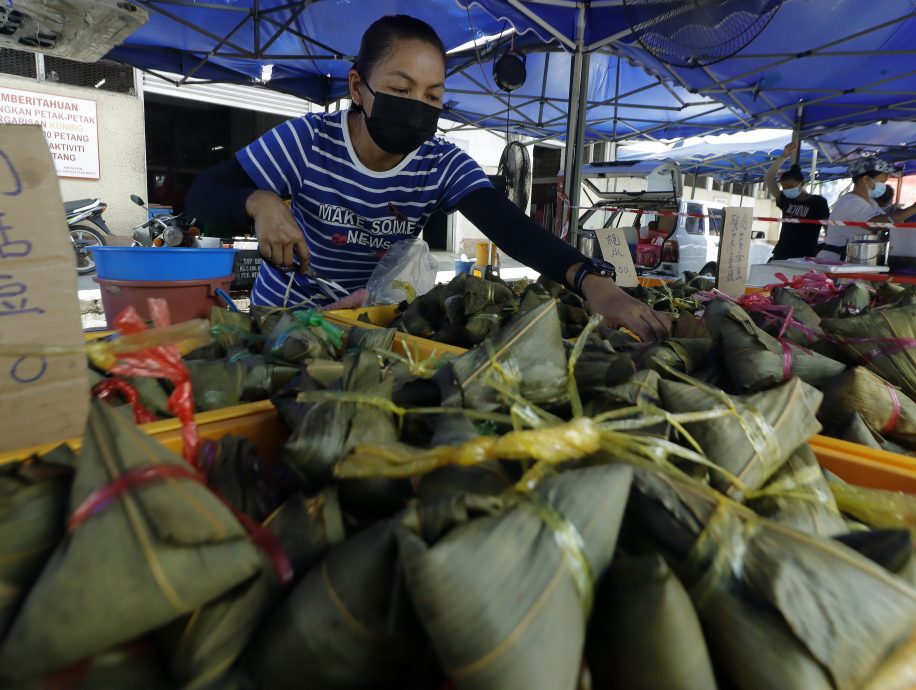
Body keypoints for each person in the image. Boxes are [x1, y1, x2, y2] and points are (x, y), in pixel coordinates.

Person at [185, 15, 669, 342]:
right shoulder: (308, 141)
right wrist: (260, 202)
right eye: (400, 89)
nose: (417, 107)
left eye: (433, 97)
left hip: (369, 330)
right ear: (358, 87)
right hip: (283, 329)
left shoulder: (440, 162)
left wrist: (589, 279)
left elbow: (510, 226)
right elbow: (204, 195)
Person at [817, 157, 916, 261]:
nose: (883, 186)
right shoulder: (851, 202)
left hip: (855, 258)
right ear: (865, 179)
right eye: (881, 181)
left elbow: (890, 219)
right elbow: (879, 223)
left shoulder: (870, 202)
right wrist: (913, 208)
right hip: (838, 260)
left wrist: (907, 211)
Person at [763, 142, 829, 260]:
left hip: (806, 255)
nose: (787, 190)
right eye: (784, 188)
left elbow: (828, 228)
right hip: (782, 253)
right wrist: (783, 156)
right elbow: (768, 177)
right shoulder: (784, 199)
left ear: (801, 184)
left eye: (790, 187)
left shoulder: (818, 202)